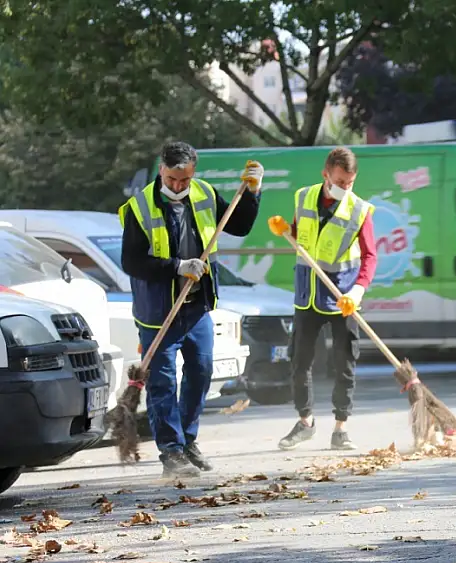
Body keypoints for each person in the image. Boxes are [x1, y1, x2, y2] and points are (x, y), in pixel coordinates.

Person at [119, 141, 263, 478]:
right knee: (163, 381)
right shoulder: (139, 208)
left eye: (184, 180)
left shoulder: (204, 194)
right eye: (171, 179)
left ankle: (187, 440)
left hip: (196, 306)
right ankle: (170, 451)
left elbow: (239, 225)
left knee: (200, 372)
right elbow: (132, 261)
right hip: (158, 311)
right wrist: (178, 265)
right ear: (161, 170)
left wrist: (253, 192)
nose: (178, 186)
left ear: (193, 173)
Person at [268, 147, 377, 451]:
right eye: (340, 181)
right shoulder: (303, 197)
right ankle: (305, 423)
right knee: (299, 360)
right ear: (325, 174)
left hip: (343, 297)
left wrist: (357, 292)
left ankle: (341, 428)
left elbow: (370, 256)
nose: (345, 188)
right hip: (307, 295)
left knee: (345, 362)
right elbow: (301, 237)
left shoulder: (359, 210)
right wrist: (286, 230)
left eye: (350, 183)